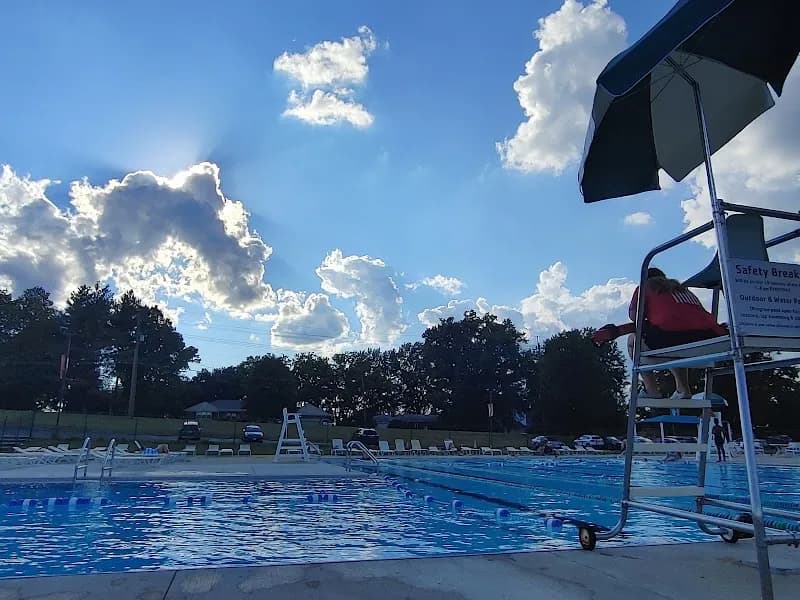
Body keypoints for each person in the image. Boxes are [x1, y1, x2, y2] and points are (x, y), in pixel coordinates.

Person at [627, 267, 727, 400]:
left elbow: (635, 316)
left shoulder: (645, 287)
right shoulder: (682, 289)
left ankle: (651, 390)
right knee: (676, 345)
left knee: (633, 340)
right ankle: (683, 389)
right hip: (710, 339)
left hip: (672, 338)